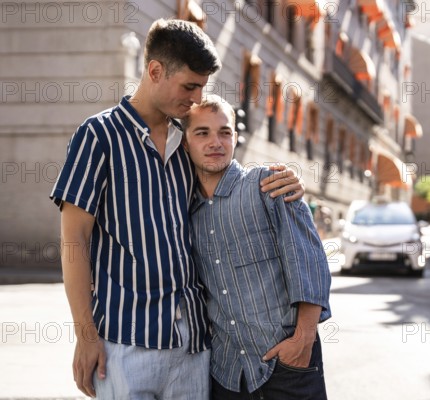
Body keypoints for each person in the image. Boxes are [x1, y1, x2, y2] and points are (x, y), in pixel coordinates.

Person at [50, 19, 304, 399]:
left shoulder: (186, 139)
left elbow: (228, 179)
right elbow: (74, 240)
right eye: (190, 86)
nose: (197, 97)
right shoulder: (98, 135)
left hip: (194, 347)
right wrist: (85, 336)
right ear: (155, 71)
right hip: (126, 342)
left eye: (202, 87)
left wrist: (285, 180)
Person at [183, 95, 331, 400]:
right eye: (202, 133)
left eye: (224, 132)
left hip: (287, 367)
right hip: (228, 373)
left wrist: (303, 341)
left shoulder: (268, 185)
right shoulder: (186, 212)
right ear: (185, 143)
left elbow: (310, 264)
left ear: (236, 138)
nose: (215, 142)